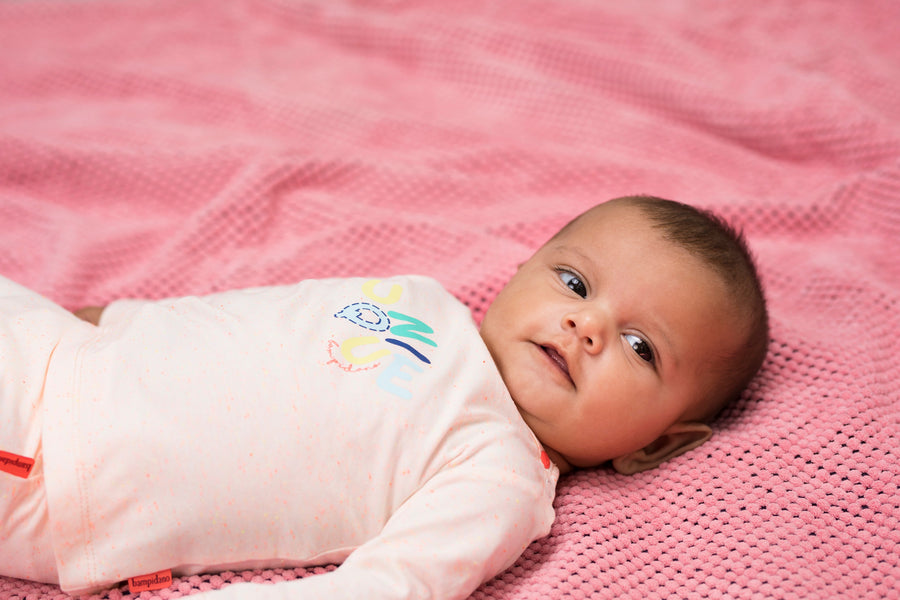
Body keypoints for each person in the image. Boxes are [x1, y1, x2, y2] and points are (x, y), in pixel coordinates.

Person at [0, 195, 768, 600]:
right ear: (523, 269)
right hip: (56, 341)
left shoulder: (499, 473)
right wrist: (110, 321)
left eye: (640, 347)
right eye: (573, 281)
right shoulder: (423, 300)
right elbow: (271, 314)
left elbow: (392, 584)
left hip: (55, 459)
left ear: (658, 443)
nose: (586, 325)